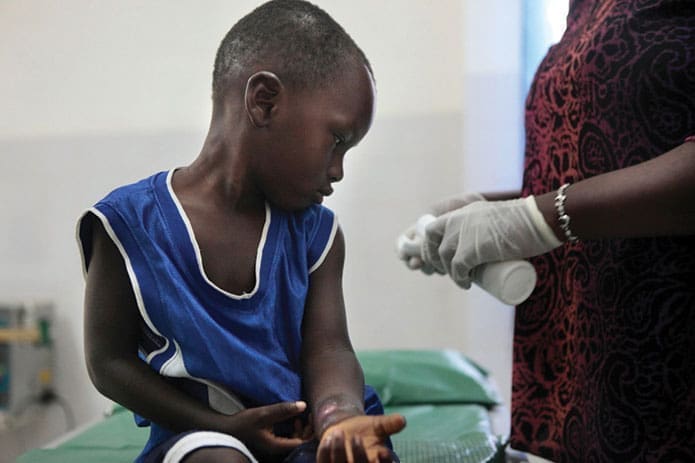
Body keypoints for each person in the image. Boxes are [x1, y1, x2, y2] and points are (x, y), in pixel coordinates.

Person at [77, 1, 405, 462]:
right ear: (264, 101)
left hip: (307, 431)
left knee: (357, 454)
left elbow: (328, 348)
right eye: (337, 141)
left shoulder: (317, 237)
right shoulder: (129, 225)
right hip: (201, 436)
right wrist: (223, 427)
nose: (338, 171)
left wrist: (339, 418)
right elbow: (108, 363)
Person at [399, 1, 695, 462]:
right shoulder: (586, 8)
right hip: (578, 376)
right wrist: (493, 211)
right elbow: (593, 159)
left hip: (667, 374)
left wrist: (536, 219)